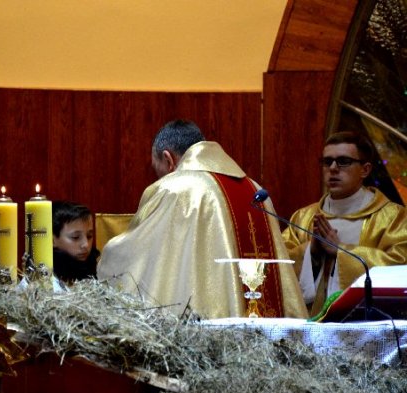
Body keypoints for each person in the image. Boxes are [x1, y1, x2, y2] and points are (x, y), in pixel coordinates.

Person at [97, 119, 307, 319]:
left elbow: (136, 254)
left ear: (168, 160)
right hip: (266, 327)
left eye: (156, 169)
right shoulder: (256, 191)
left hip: (204, 331)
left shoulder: (174, 189)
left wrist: (105, 258)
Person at [282, 131, 407, 316]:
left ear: (365, 170)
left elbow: (399, 269)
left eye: (343, 161)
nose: (333, 168)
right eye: (327, 162)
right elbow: (279, 266)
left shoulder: (393, 217)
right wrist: (310, 252)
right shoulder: (303, 217)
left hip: (366, 322)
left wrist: (341, 251)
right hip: (307, 323)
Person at [52, 201, 100, 284]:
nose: (86, 245)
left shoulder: (99, 267)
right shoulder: (43, 278)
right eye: (75, 237)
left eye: (89, 236)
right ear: (52, 241)